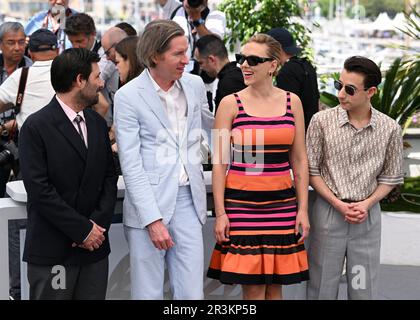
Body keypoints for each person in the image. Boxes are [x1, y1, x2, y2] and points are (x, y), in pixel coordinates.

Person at [114, 19, 214, 300]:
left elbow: (212, 130)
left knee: (192, 294)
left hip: (189, 202)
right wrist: (152, 220)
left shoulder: (194, 85)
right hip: (149, 206)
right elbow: (131, 164)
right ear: (155, 55)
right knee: (148, 293)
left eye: (186, 51)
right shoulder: (128, 96)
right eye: (178, 54)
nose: (187, 59)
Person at [207, 33, 310, 300]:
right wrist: (220, 214)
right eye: (241, 58)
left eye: (253, 60)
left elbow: (299, 159)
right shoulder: (229, 104)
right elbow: (219, 163)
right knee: (253, 290)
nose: (244, 64)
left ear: (273, 65)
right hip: (242, 209)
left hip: (282, 207)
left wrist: (303, 210)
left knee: (275, 288)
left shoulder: (292, 102)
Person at [19, 48, 118, 300]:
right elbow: (40, 190)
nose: (102, 83)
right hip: (54, 251)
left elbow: (108, 177)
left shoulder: (96, 123)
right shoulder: (36, 127)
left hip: (95, 250)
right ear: (79, 80)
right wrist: (81, 230)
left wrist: (96, 228)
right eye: (96, 77)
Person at [306, 56, 404, 300]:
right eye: (339, 85)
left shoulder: (389, 128)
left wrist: (367, 204)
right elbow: (312, 171)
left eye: (349, 89)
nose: (341, 94)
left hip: (366, 219)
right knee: (321, 289)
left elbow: (391, 176)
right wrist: (339, 204)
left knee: (363, 287)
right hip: (329, 213)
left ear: (371, 91)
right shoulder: (321, 121)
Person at [0, 29, 58, 129]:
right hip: (67, 141)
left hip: (29, 141)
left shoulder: (21, 76)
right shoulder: (71, 72)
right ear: (57, 50)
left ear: (30, 53)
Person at [267, 27, 319, 130]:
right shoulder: (306, 65)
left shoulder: (287, 71)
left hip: (296, 132)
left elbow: (285, 109)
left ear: (278, 48)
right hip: (312, 128)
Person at [170, 0, 226, 73]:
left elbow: (214, 44)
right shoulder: (176, 13)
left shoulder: (216, 15)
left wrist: (197, 20)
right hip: (181, 75)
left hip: (207, 78)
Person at [195, 34, 246, 112]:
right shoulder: (234, 75)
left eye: (201, 63)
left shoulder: (229, 82)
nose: (201, 68)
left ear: (211, 59)